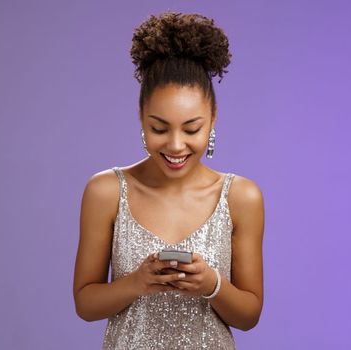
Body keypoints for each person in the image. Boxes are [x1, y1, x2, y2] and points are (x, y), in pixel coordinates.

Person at [73, 11, 265, 349]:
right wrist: (137, 282)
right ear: (141, 118)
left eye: (192, 129)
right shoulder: (105, 191)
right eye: (159, 128)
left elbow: (249, 316)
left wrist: (212, 285)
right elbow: (85, 304)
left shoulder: (240, 197)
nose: (176, 145)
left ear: (213, 119)